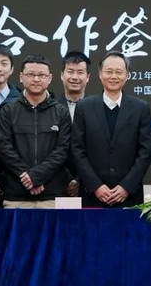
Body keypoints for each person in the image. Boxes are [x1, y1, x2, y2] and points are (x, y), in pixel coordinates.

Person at [71, 51, 151, 208]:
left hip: (129, 196)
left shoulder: (140, 108)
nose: (113, 76)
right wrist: (96, 186)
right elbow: (77, 150)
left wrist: (126, 187)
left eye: (119, 72)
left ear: (127, 75)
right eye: (109, 71)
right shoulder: (84, 107)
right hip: (92, 195)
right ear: (100, 74)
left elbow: (145, 151)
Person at [0, 55, 72, 208]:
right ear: (21, 76)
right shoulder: (8, 110)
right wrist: (28, 177)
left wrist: (37, 176)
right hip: (16, 195)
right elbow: (4, 149)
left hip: (53, 195)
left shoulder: (61, 112)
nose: (36, 79)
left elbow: (62, 150)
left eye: (41, 75)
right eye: (31, 74)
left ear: (50, 78)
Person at [56, 51, 91, 197]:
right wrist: (68, 179)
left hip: (90, 186)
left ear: (88, 77)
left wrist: (80, 179)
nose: (75, 77)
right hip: (57, 183)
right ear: (62, 75)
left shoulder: (96, 108)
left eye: (80, 72)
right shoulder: (52, 108)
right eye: (70, 71)